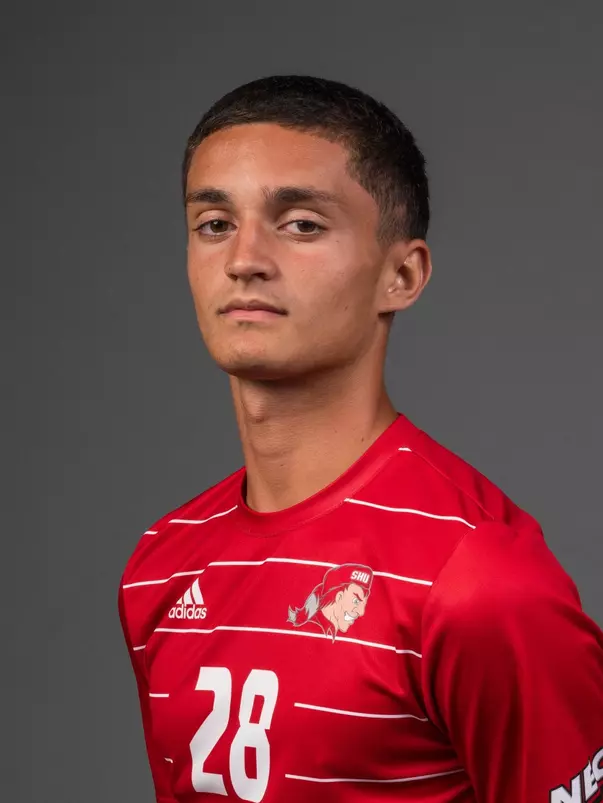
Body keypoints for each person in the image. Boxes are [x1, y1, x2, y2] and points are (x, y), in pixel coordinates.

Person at [118, 75, 603, 803]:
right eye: (214, 223)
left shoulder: (478, 583)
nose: (243, 258)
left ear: (400, 274)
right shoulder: (160, 564)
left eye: (301, 224)